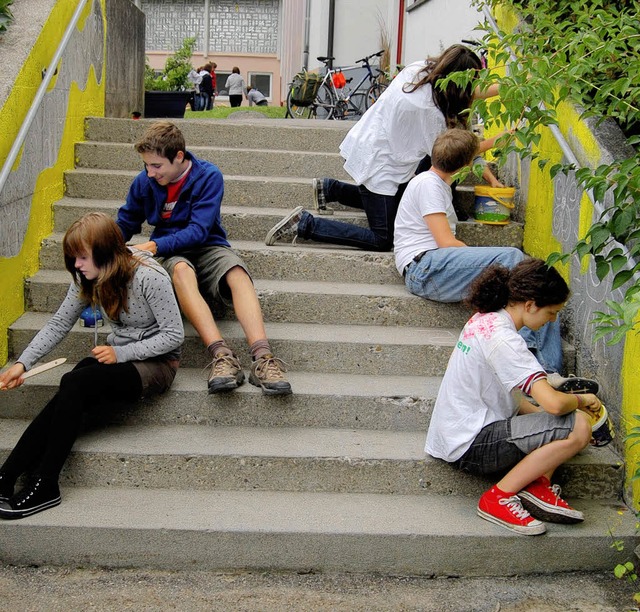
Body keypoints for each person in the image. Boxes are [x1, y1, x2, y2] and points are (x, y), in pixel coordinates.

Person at [0, 213, 184, 519]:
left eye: (82, 257)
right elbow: (59, 323)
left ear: (105, 252)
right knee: (76, 381)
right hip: (119, 355)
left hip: (157, 363)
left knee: (75, 383)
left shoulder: (149, 276)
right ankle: (6, 477)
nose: (77, 265)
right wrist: (22, 363)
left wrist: (121, 354)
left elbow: (174, 336)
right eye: (73, 258)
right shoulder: (88, 276)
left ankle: (46, 483)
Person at [393, 127, 604, 384]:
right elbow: (446, 242)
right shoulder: (428, 186)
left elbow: (474, 150)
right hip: (424, 268)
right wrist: (487, 261)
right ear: (465, 166)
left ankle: (543, 368)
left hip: (431, 266)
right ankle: (544, 368)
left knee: (523, 275)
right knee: (513, 259)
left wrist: (511, 133)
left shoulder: (434, 181)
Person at [265, 44, 506, 251]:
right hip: (380, 164)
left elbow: (467, 90)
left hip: (370, 142)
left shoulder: (420, 70)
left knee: (401, 201)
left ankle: (331, 190)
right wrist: (498, 141)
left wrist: (509, 89)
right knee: (382, 238)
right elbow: (453, 155)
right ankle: (305, 224)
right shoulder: (429, 112)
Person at [425, 258, 603, 535]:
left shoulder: (487, 319)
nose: (552, 320)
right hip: (473, 444)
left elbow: (514, 397)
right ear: (530, 304)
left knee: (567, 424)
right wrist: (583, 401)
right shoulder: (505, 340)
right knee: (578, 425)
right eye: (552, 312)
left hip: (460, 434)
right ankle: (496, 498)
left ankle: (536, 485)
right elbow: (555, 404)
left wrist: (549, 425)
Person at [116, 121, 292, 396]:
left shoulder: (209, 176)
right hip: (171, 254)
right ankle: (221, 356)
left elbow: (198, 232)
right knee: (182, 271)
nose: (150, 173)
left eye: (157, 166)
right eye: (146, 166)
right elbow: (126, 222)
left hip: (208, 244)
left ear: (179, 157)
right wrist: (104, 245)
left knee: (236, 271)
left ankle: (263, 358)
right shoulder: (144, 182)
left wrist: (150, 246)